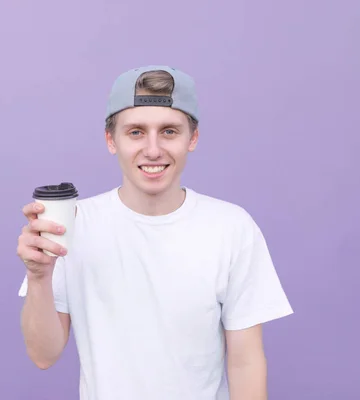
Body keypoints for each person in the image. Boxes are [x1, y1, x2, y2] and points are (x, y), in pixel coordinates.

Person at [16, 65, 293, 399]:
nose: (152, 149)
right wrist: (38, 277)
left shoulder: (231, 227)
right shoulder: (72, 226)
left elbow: (245, 362)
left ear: (192, 138)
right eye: (135, 132)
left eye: (169, 132)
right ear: (110, 140)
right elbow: (43, 355)